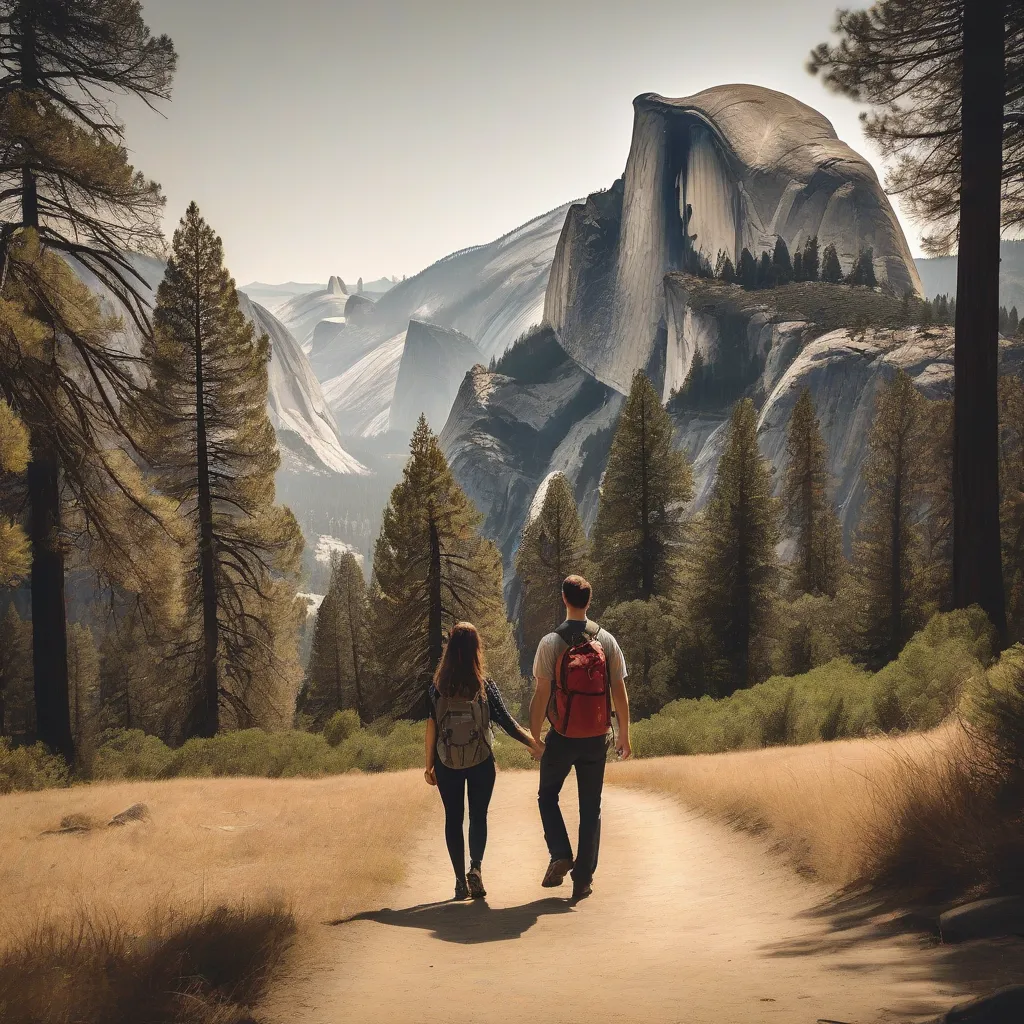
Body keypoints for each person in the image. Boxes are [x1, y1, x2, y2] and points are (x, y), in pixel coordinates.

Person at [425, 621, 543, 900]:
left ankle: (458, 882)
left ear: (450, 650)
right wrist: (534, 744)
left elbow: (432, 727)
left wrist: (428, 764)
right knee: (478, 816)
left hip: (446, 762)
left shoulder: (437, 687)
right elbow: (506, 722)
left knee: (453, 819)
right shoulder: (484, 686)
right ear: (476, 649)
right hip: (481, 762)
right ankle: (475, 869)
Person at [530, 574, 630, 902]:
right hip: (596, 737)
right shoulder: (607, 640)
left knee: (547, 796)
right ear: (588, 601)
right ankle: (583, 880)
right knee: (591, 808)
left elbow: (541, 694)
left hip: (561, 735)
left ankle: (560, 852)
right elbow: (619, 690)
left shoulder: (551, 642)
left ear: (564, 599)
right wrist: (623, 736)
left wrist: (535, 737)